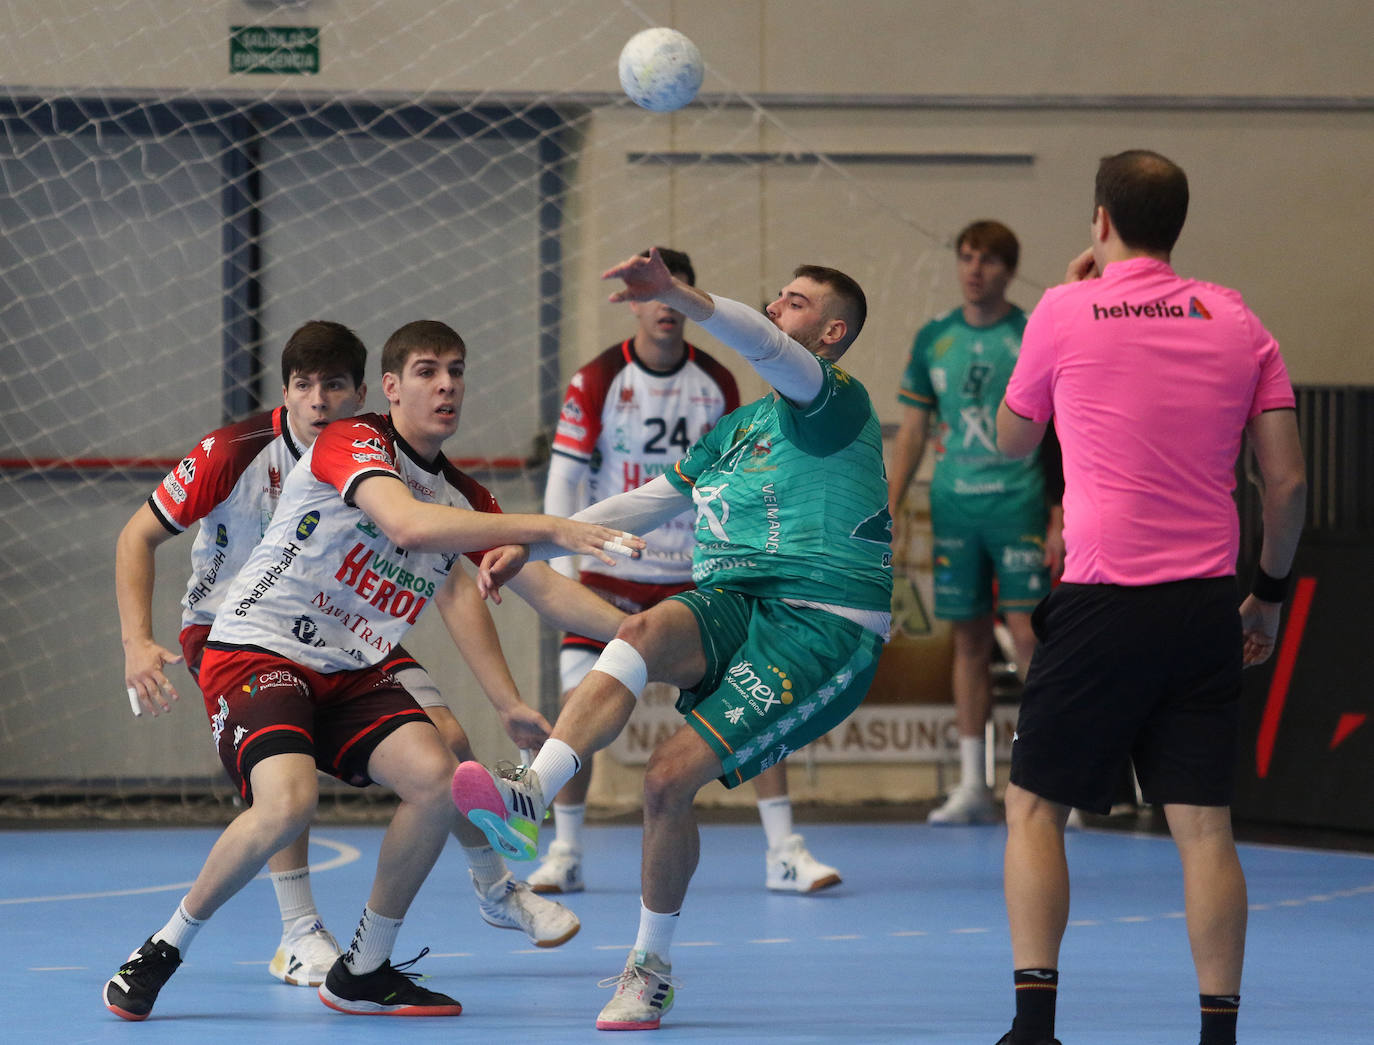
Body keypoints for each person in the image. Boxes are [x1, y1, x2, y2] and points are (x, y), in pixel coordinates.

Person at [103, 319, 643, 1021]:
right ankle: (164, 947)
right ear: (387, 389)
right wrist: (545, 526)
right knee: (289, 801)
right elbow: (409, 527)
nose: (446, 384)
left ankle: (364, 967)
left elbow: (533, 588)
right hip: (257, 646)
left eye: (456, 370)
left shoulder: (463, 496)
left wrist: (642, 630)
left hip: (351, 661)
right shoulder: (350, 440)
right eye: (426, 371)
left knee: (439, 776)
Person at [453, 250, 892, 1031]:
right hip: (737, 598)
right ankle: (531, 792)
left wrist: (683, 297)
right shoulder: (741, 425)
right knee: (642, 627)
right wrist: (537, 539)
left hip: (823, 625)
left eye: (793, 301)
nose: (775, 305)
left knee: (665, 780)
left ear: (829, 332)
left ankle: (649, 970)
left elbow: (763, 345)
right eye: (776, 296)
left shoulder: (834, 401)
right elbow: (645, 504)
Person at [992, 150, 1306, 1045]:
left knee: (1034, 805)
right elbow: (1284, 484)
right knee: (1203, 824)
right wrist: (1269, 595)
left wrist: (1062, 311)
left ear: (1100, 221)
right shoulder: (1238, 318)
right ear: (1178, 224)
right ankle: (1217, 1035)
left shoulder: (1063, 309)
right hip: (1206, 600)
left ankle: (1035, 1025)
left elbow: (1015, 443)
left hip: (1101, 601)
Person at [529, 246, 842, 897]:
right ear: (635, 302)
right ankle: (564, 850)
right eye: (652, 296)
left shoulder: (718, 383)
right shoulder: (597, 379)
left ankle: (784, 849)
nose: (663, 308)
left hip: (693, 582)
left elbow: (727, 478)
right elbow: (564, 479)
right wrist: (557, 567)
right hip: (611, 577)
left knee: (756, 699)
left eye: (676, 297)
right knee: (578, 709)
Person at [887, 220, 1064, 825]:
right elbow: (911, 431)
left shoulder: (1031, 332)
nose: (975, 270)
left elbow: (1063, 429)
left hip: (1018, 505)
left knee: (1029, 637)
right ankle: (972, 786)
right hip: (954, 506)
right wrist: (887, 507)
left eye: (988, 260)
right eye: (966, 257)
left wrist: (1061, 513)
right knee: (965, 639)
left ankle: (1050, 783)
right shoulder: (934, 338)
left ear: (1008, 270)